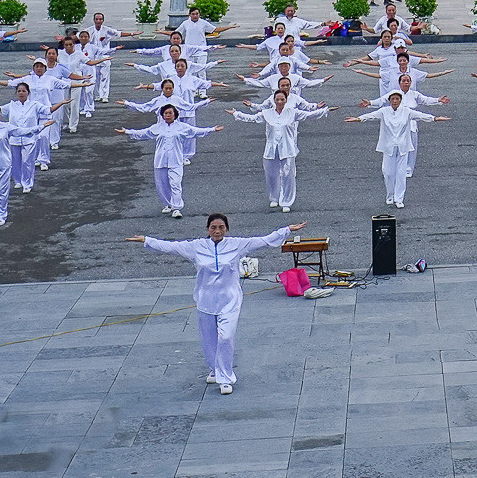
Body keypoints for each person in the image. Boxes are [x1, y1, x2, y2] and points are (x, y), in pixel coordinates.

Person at [129, 214, 299, 394]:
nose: (217, 231)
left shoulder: (236, 245)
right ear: (208, 229)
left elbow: (264, 241)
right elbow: (170, 247)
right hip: (205, 300)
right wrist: (146, 240)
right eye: (213, 227)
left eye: (221, 227)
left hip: (229, 300)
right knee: (208, 339)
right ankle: (214, 369)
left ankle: (225, 378)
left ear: (226, 229)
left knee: (225, 337)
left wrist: (286, 230)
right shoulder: (196, 247)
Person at [230, 89, 332, 212]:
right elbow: (252, 118)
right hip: (271, 148)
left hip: (287, 148)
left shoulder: (293, 112)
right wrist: (236, 114)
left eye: (282, 99)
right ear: (274, 100)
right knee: (271, 174)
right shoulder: (267, 113)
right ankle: (274, 198)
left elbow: (309, 115)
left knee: (288, 174)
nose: (279, 101)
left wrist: (324, 111)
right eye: (277, 99)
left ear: (286, 100)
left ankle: (286, 201)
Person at [117, 105, 223, 218]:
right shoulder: (157, 127)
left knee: (175, 184)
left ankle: (177, 208)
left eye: (170, 113)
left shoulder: (182, 127)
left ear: (175, 114)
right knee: (162, 184)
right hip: (160, 160)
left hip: (176, 160)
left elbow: (196, 131)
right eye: (165, 113)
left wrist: (212, 129)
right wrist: (127, 132)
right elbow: (143, 133)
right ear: (162, 115)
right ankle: (168, 204)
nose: (168, 115)